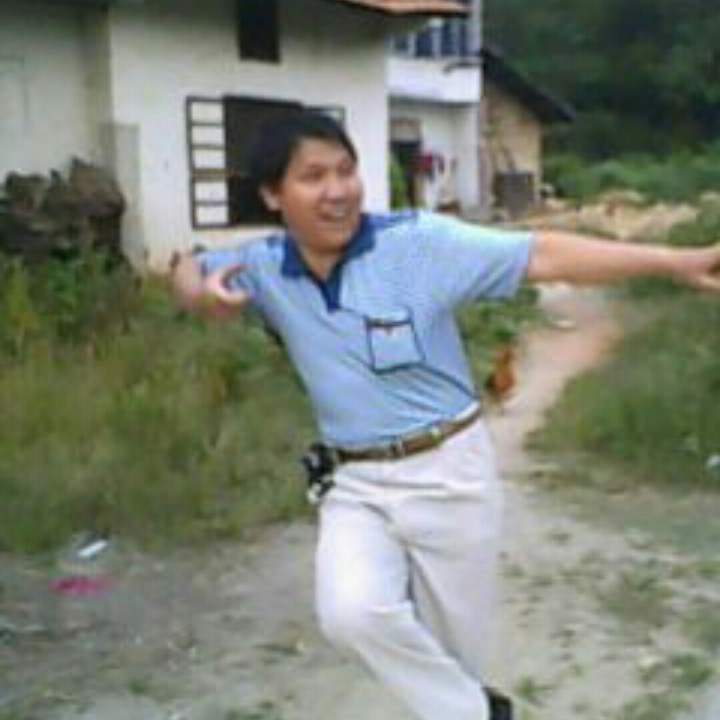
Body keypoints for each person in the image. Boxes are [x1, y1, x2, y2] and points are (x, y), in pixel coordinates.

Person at [171, 110, 720, 720]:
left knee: (453, 659)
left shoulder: (417, 245)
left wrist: (676, 263)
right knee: (350, 613)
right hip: (355, 481)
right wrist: (198, 293)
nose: (338, 191)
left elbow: (543, 254)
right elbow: (186, 264)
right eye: (314, 176)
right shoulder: (266, 266)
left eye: (347, 171)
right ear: (274, 195)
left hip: (448, 473)